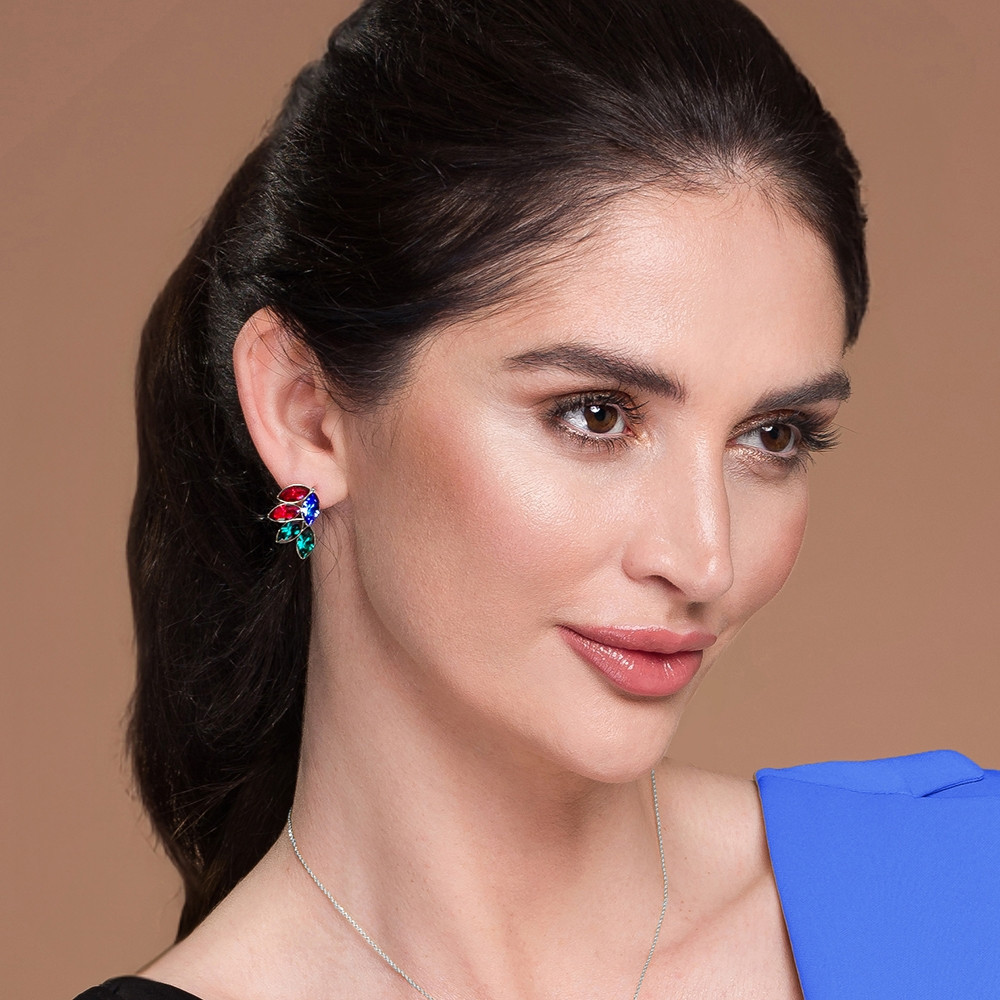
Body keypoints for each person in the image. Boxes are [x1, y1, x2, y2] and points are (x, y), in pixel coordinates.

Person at [74, 1, 1000, 998]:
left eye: (771, 436)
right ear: (308, 416)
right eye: (596, 415)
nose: (705, 559)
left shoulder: (964, 891)